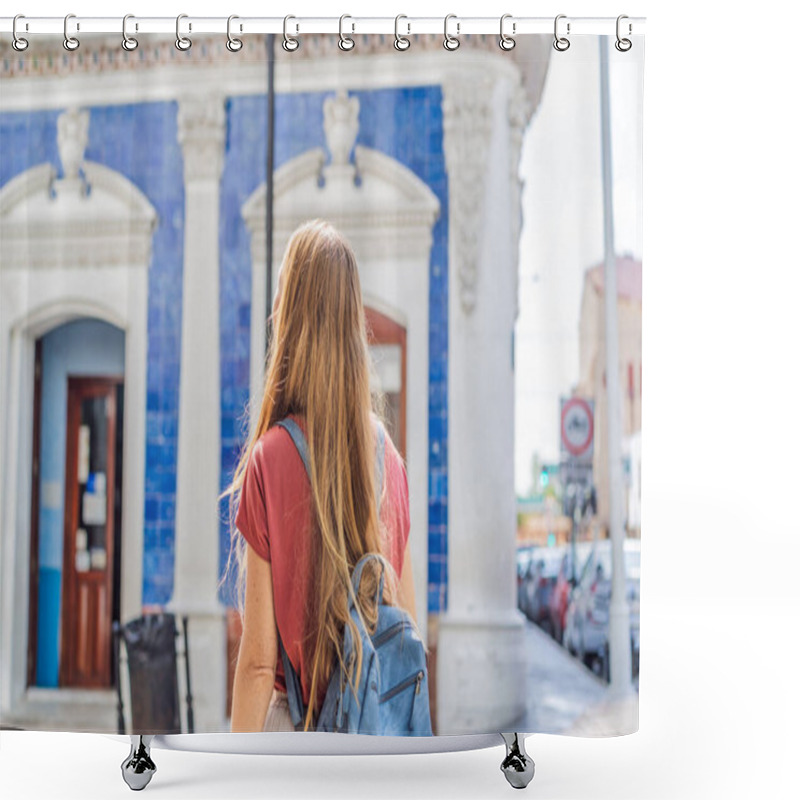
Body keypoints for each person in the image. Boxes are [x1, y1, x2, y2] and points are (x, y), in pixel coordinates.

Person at [221, 219, 419, 733]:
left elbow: (260, 663)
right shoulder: (388, 461)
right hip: (374, 738)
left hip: (295, 739)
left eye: (281, 297)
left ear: (289, 320)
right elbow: (407, 628)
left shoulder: (270, 458)